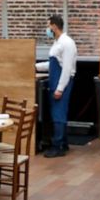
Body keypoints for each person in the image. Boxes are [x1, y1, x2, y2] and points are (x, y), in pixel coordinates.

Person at [36, 14, 77, 158]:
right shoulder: (57, 42)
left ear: (54, 26)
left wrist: (60, 88)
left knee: (58, 115)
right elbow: (53, 64)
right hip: (56, 80)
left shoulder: (67, 43)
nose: (47, 29)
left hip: (61, 82)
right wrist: (35, 66)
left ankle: (57, 146)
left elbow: (66, 68)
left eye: (48, 25)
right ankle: (63, 143)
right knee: (58, 114)